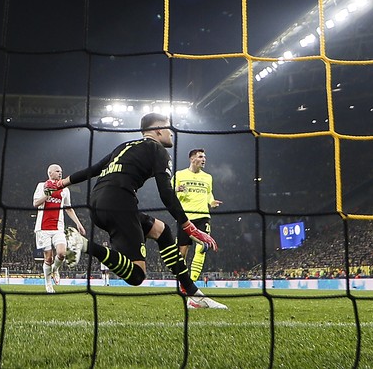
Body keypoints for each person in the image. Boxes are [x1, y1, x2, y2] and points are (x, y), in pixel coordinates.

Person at [52, 112, 227, 309]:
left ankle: (193, 293)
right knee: (137, 275)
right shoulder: (158, 150)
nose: (171, 133)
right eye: (168, 128)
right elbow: (166, 192)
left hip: (97, 201)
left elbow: (95, 169)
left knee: (162, 231)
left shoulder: (124, 146)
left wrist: (62, 183)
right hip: (119, 202)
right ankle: (84, 245)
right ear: (158, 130)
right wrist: (189, 227)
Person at [32, 163, 86, 293]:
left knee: (62, 253)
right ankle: (48, 283)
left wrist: (78, 224)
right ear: (50, 173)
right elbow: (35, 203)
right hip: (43, 228)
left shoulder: (65, 189)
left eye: (61, 171)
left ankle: (55, 270)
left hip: (58, 228)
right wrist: (47, 194)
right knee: (48, 258)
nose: (60, 173)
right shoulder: (41, 186)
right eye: (57, 171)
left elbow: (68, 208)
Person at [174, 148, 222, 282]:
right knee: (182, 251)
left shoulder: (208, 177)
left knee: (203, 247)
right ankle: (182, 279)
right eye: (200, 157)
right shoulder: (179, 175)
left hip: (203, 216)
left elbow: (208, 193)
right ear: (192, 159)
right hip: (185, 218)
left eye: (204, 157)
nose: (204, 159)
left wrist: (211, 201)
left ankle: (192, 281)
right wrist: (176, 189)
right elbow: (168, 190)